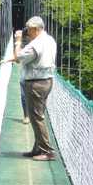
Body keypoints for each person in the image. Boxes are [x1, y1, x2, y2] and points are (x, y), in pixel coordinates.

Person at [7, 16, 57, 161]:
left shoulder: (36, 44)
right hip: (47, 81)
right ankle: (38, 148)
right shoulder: (50, 40)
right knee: (37, 116)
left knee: (36, 117)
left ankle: (47, 151)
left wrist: (17, 41)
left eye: (29, 29)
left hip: (36, 83)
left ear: (36, 29)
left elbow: (18, 57)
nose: (27, 32)